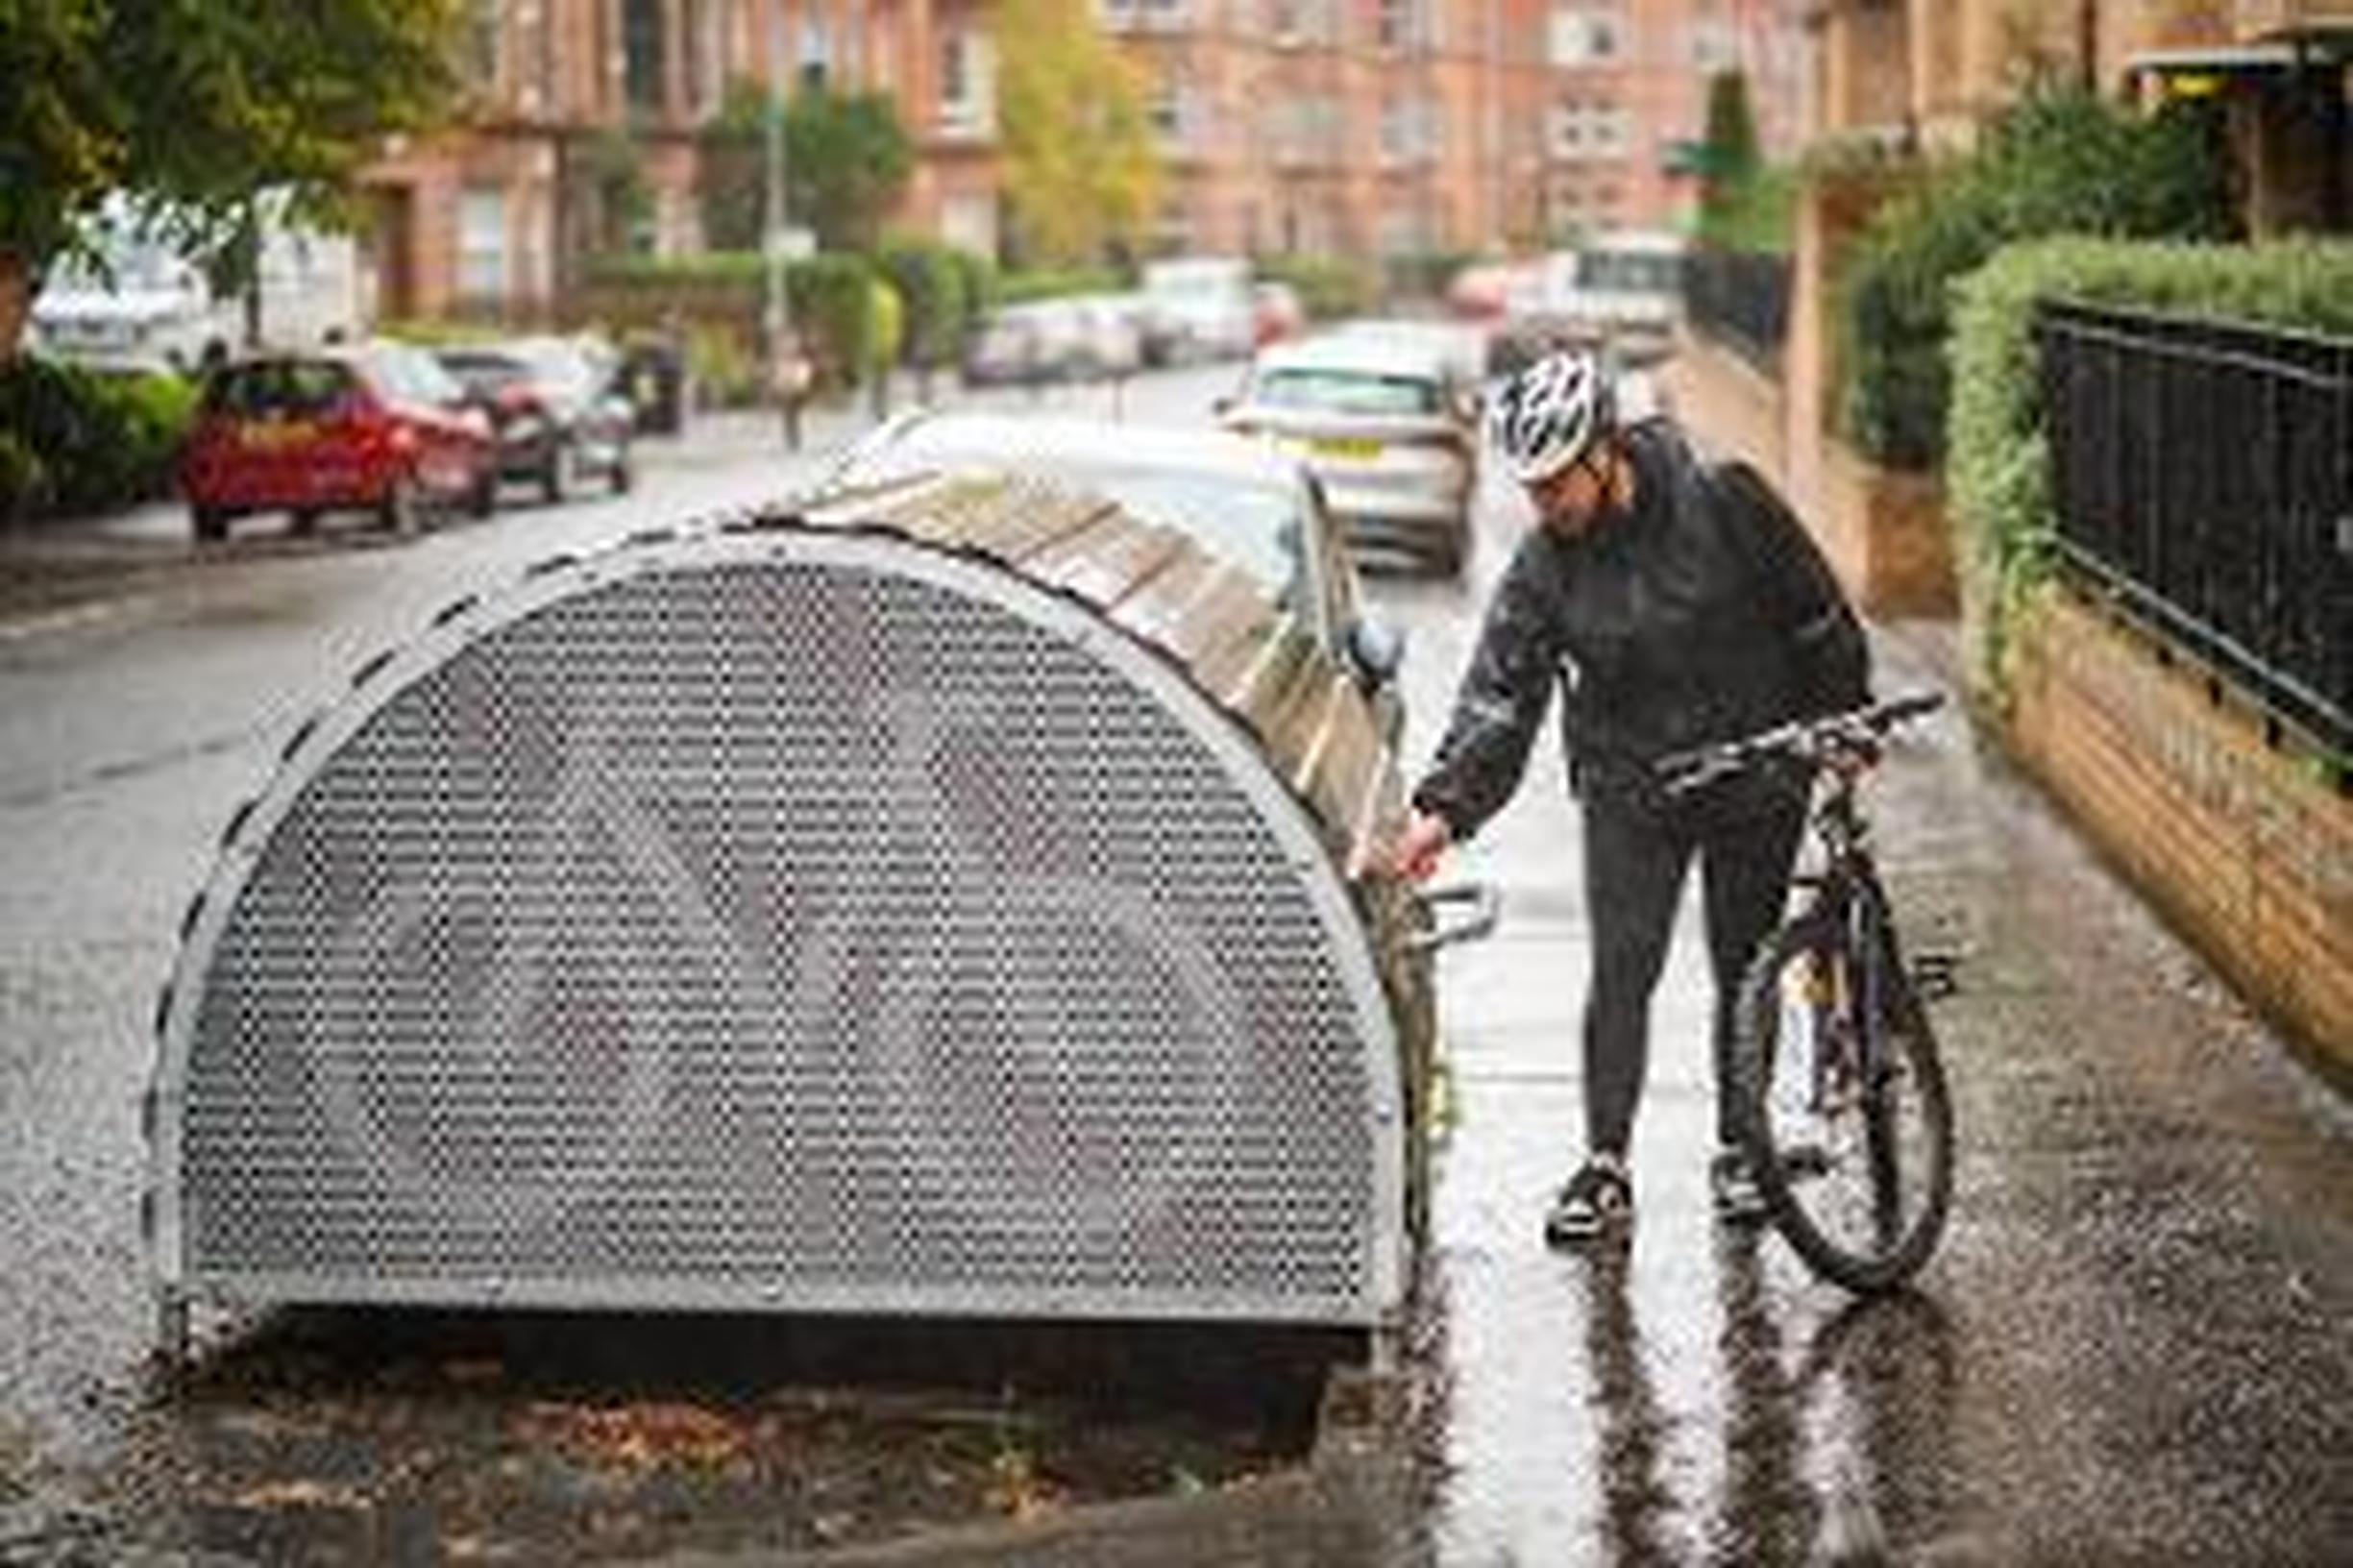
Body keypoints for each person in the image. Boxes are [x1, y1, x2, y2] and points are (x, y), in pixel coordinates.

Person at [1391, 349, 1870, 1248]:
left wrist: (1839, 722)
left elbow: (1815, 613)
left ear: (1606, 451)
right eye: (1530, 489)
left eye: (1556, 483)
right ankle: (1604, 1166)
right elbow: (1501, 690)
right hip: (1631, 784)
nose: (1545, 505)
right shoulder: (1547, 564)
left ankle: (1741, 1149)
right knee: (1624, 968)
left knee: (1745, 963)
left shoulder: (1725, 499)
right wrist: (1444, 810)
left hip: (1753, 768)